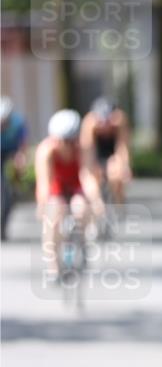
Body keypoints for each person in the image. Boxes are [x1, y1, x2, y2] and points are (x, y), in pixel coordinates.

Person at [35, 109, 103, 272]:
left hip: (76, 184)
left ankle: (83, 242)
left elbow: (87, 176)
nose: (66, 145)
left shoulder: (84, 147)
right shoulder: (46, 151)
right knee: (53, 217)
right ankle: (54, 265)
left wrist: (96, 200)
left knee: (81, 208)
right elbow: (44, 183)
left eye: (71, 141)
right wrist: (42, 205)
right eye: (62, 141)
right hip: (57, 186)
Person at [81, 97, 132, 205]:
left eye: (108, 121)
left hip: (112, 150)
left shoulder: (120, 121)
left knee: (117, 172)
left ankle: (118, 200)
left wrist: (125, 167)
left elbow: (122, 148)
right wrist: (91, 169)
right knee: (91, 176)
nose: (104, 126)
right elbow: (88, 151)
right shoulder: (89, 123)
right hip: (97, 150)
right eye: (101, 122)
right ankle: (98, 205)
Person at [1, 97, 29, 241]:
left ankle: (4, 225)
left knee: (9, 192)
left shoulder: (18, 124)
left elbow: (22, 146)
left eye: (5, 122)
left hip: (11, 152)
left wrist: (21, 161)